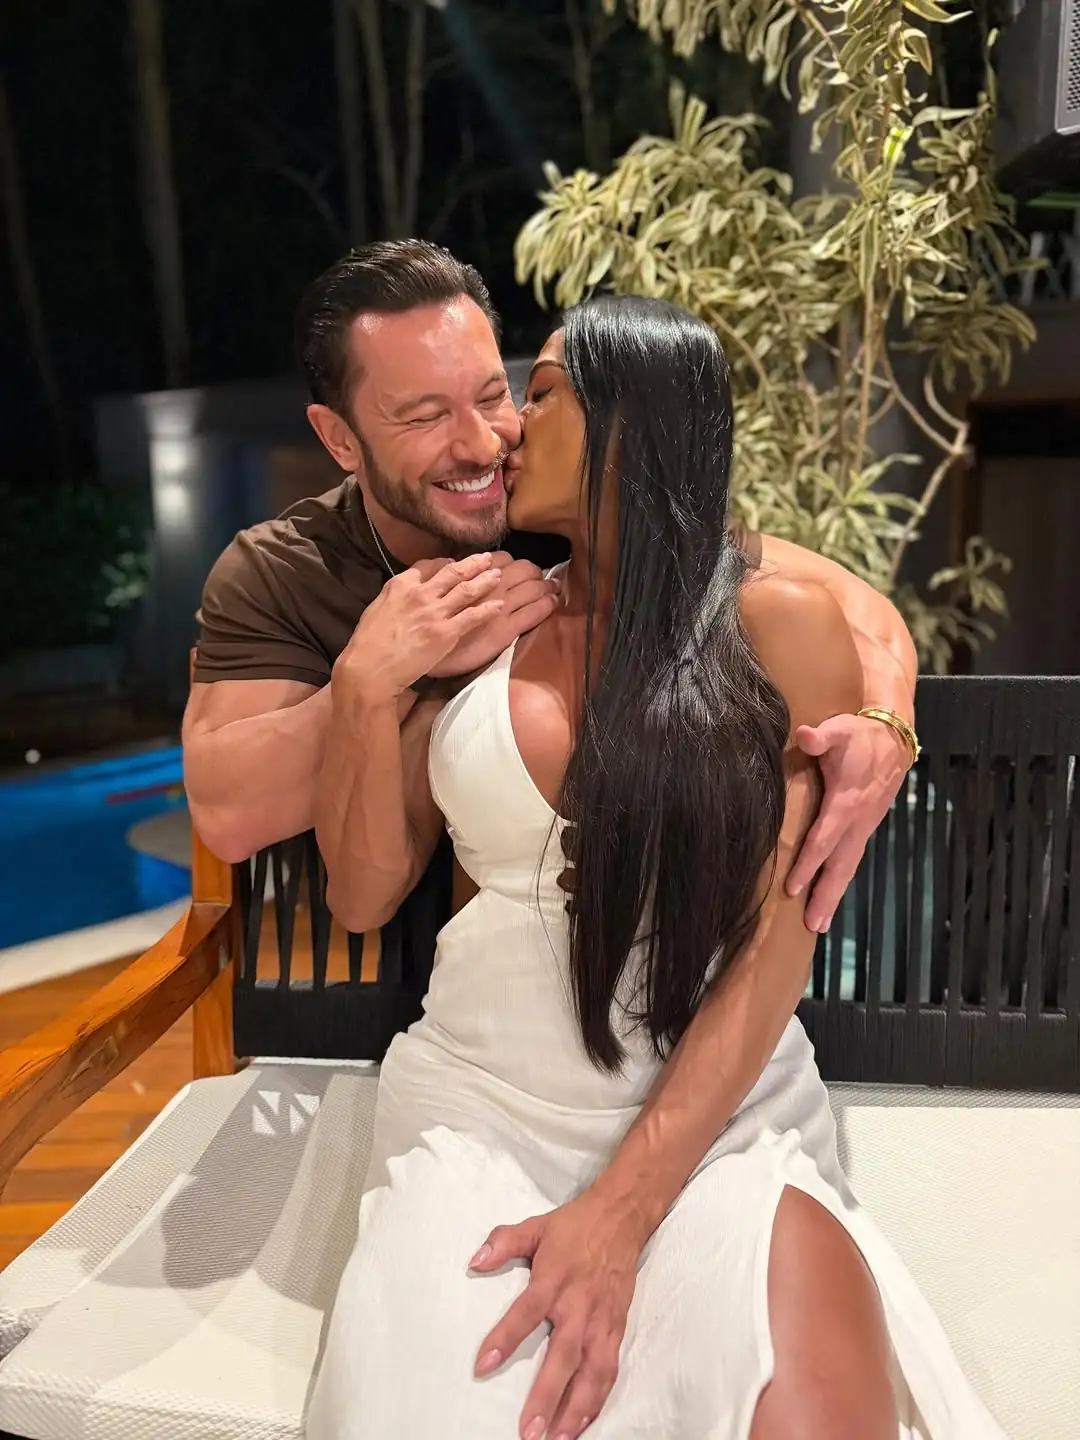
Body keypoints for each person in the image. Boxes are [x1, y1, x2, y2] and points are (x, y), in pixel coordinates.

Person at [304, 296, 1001, 1440]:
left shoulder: (774, 626)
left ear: (636, 415)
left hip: (724, 1125)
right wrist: (363, 687)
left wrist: (621, 1214)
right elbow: (363, 893)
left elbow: (777, 945)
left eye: (537, 394)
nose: (508, 430)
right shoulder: (479, 621)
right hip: (478, 1117)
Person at [184, 240, 920, 938]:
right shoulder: (282, 568)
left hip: (598, 941)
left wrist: (888, 725)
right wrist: (388, 670)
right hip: (401, 960)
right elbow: (229, 816)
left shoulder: (551, 502)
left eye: (491, 397)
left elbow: (852, 606)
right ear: (340, 439)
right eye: (426, 416)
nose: (482, 444)